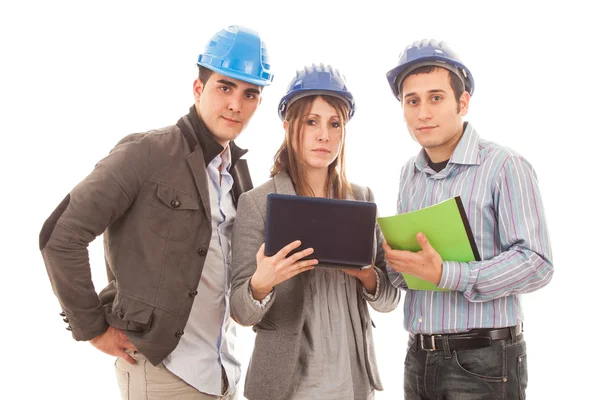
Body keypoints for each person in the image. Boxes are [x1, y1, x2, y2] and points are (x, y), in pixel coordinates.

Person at [38, 25, 273, 400]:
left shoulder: (238, 172)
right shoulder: (147, 154)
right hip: (164, 374)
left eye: (250, 94)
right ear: (198, 89)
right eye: (225, 88)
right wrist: (93, 328)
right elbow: (61, 235)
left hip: (223, 373)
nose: (236, 105)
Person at [383, 39, 554, 399]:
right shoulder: (408, 175)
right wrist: (391, 264)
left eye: (436, 98)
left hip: (484, 363)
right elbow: (410, 276)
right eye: (411, 101)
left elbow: (537, 263)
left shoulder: (504, 166)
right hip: (418, 359)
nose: (423, 113)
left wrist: (449, 274)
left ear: (462, 102)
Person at [229, 63, 401, 400]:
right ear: (288, 125)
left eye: (334, 124)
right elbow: (240, 311)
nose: (324, 135)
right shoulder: (257, 202)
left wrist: (366, 275)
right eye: (311, 122)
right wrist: (263, 281)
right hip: (286, 386)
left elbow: (390, 299)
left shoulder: (362, 199)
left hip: (352, 382)